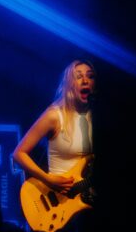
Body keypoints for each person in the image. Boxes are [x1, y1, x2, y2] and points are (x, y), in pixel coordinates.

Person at [12, 59, 96, 194]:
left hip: (87, 196)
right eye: (79, 76)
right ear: (69, 84)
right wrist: (47, 179)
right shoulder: (55, 115)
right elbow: (18, 154)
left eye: (90, 76)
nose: (85, 80)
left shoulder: (97, 118)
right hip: (58, 198)